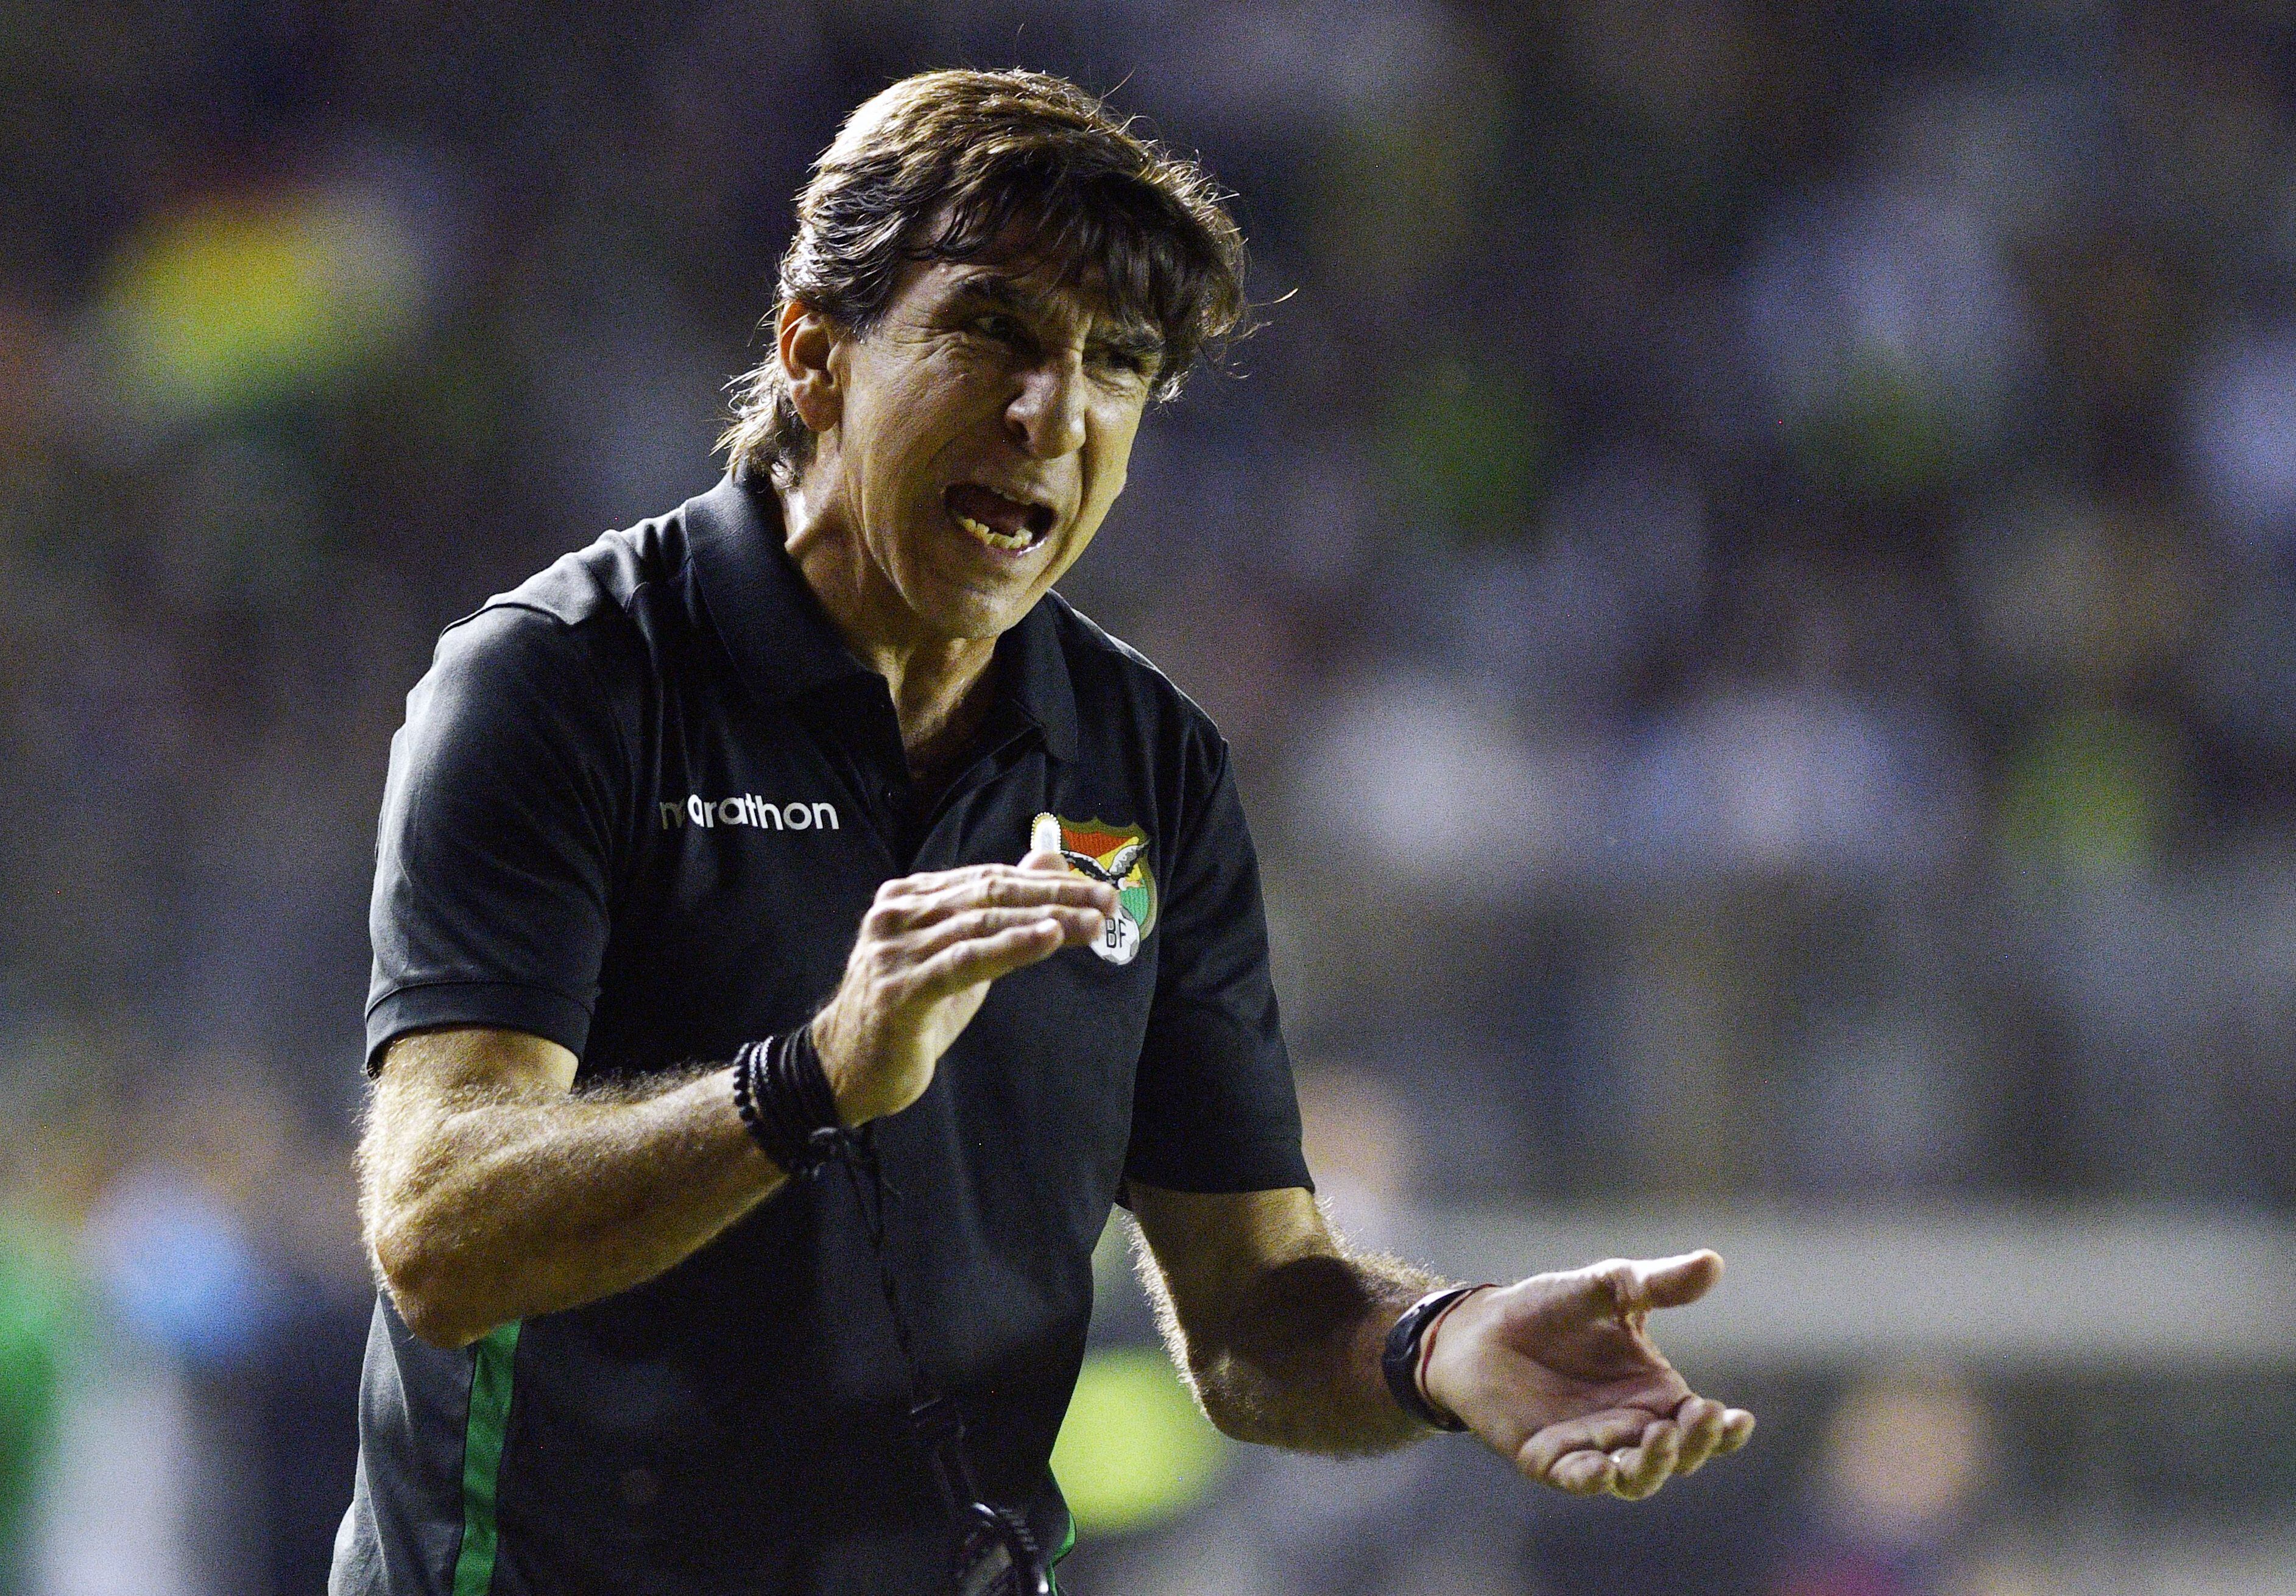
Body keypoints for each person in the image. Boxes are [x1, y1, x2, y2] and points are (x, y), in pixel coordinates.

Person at [336, 68, 1753, 1596]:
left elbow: (1251, 1308)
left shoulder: (1150, 763)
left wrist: (1433, 1340)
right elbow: (435, 1232)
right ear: (815, 354)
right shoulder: (568, 679)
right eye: (994, 331)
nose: (1051, 413)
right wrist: (804, 1083)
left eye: (1119, 363)